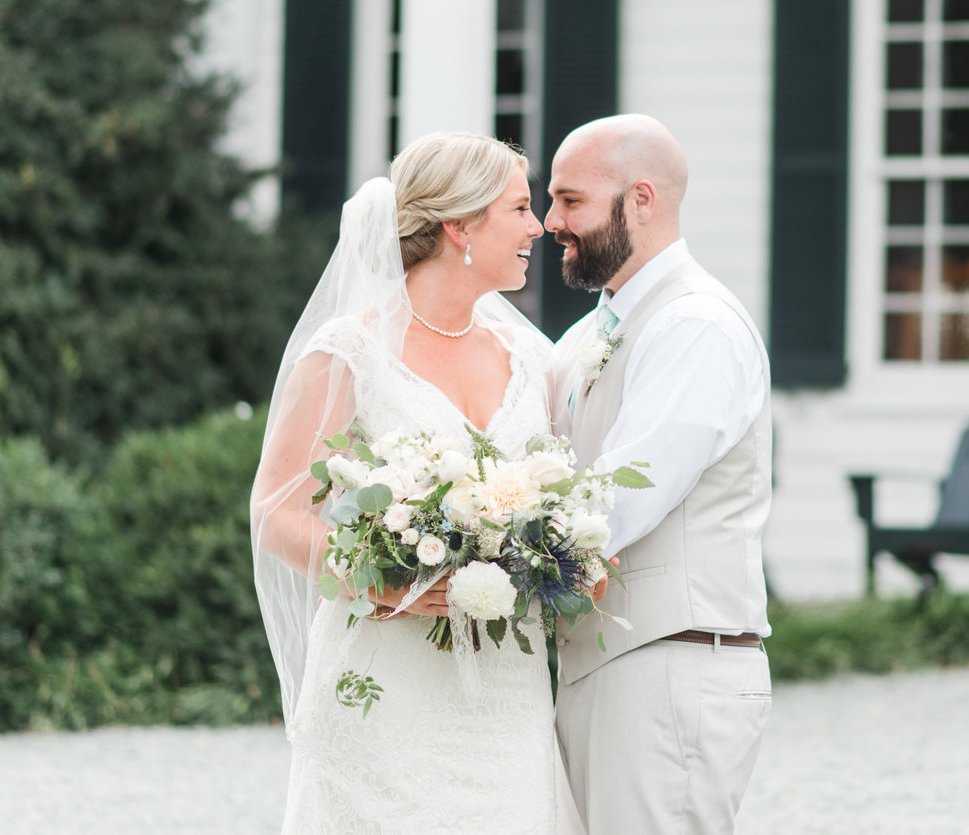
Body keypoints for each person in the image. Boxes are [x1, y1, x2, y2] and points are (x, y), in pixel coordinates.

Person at [250, 132, 582, 833]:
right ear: (459, 226)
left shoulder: (530, 356)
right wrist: (383, 579)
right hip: (385, 676)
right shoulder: (351, 349)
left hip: (502, 685)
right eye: (519, 208)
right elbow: (278, 511)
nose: (538, 226)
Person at [547, 114, 774, 834]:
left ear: (640, 200)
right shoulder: (594, 332)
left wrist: (492, 547)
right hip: (609, 662)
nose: (552, 220)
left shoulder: (695, 324)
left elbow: (623, 494)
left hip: (671, 665)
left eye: (570, 199)